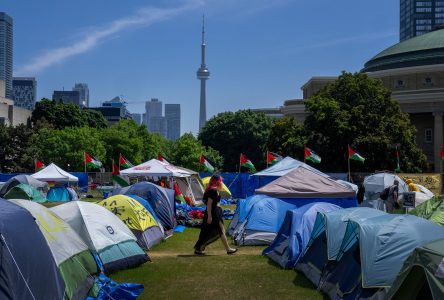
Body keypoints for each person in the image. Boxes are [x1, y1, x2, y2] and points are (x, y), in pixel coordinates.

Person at [194, 174, 238, 255]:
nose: (221, 182)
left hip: (215, 212)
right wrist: (210, 216)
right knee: (220, 230)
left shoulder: (211, 189)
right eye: (220, 180)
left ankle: (198, 248)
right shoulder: (213, 190)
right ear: (217, 181)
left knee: (212, 231)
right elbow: (209, 204)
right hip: (214, 213)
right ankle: (228, 249)